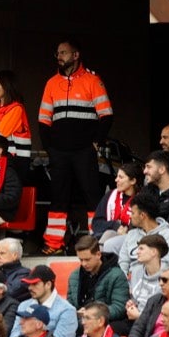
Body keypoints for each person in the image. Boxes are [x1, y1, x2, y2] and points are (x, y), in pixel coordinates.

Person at [37, 40, 113, 251]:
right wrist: (49, 148)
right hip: (59, 152)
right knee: (58, 197)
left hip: (84, 150)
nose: (59, 56)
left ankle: (97, 241)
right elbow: (43, 119)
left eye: (64, 52)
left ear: (76, 55)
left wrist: (95, 144)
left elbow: (106, 115)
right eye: (57, 53)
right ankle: (54, 243)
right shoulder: (51, 82)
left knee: (92, 194)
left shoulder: (92, 80)